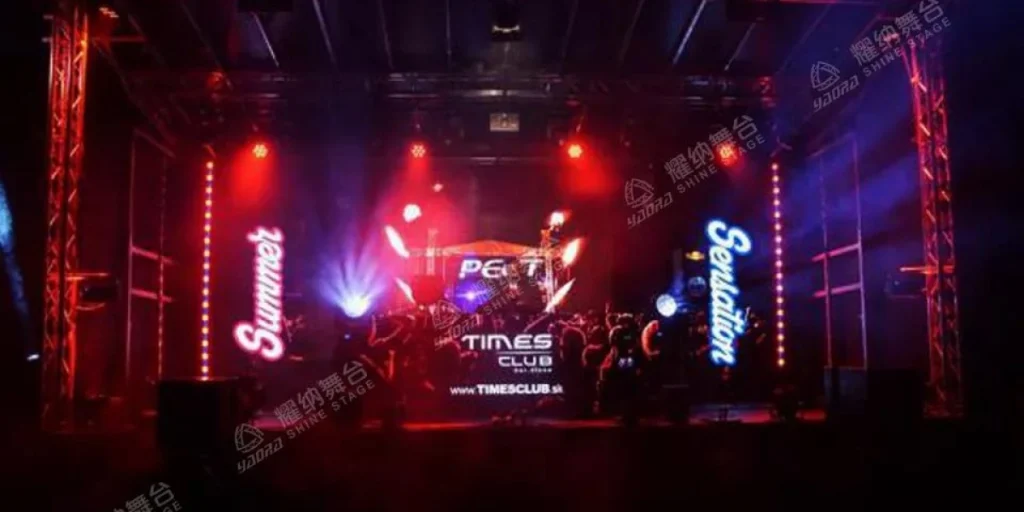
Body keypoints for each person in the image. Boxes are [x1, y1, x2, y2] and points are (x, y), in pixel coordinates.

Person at [599, 313, 646, 425]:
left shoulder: (619, 332)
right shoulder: (633, 332)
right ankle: (629, 414)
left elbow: (615, 346)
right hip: (629, 361)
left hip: (623, 361)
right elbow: (635, 347)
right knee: (629, 388)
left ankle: (627, 415)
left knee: (625, 387)